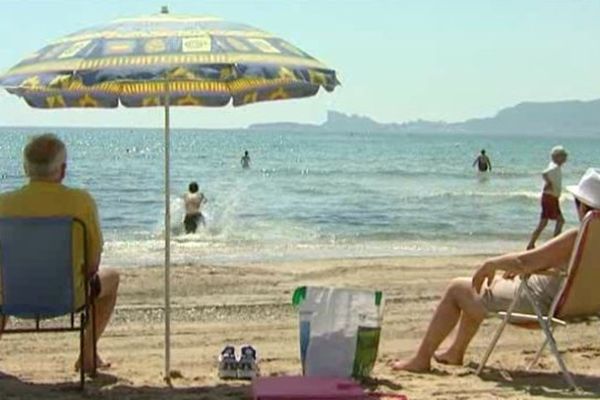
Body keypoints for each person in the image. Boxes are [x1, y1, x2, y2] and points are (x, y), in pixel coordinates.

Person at [392, 168, 600, 373]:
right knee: (477, 289)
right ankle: (455, 352)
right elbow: (569, 269)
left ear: (582, 206)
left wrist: (492, 264)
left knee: (458, 288)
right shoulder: (588, 244)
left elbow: (523, 261)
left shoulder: (576, 238)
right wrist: (527, 269)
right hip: (578, 306)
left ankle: (421, 359)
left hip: (538, 303)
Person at [0, 133, 120, 373]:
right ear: (63, 170)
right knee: (112, 277)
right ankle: (87, 356)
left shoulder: (4, 204)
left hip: (10, 298)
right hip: (67, 297)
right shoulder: (81, 202)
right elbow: (93, 264)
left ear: (25, 168)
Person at [527, 146, 568, 250]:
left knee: (545, 222)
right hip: (550, 198)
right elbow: (544, 173)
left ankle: (532, 244)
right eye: (563, 156)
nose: (565, 158)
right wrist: (549, 182)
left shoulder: (555, 166)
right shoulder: (554, 166)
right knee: (559, 221)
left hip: (550, 197)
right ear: (557, 157)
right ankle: (554, 245)